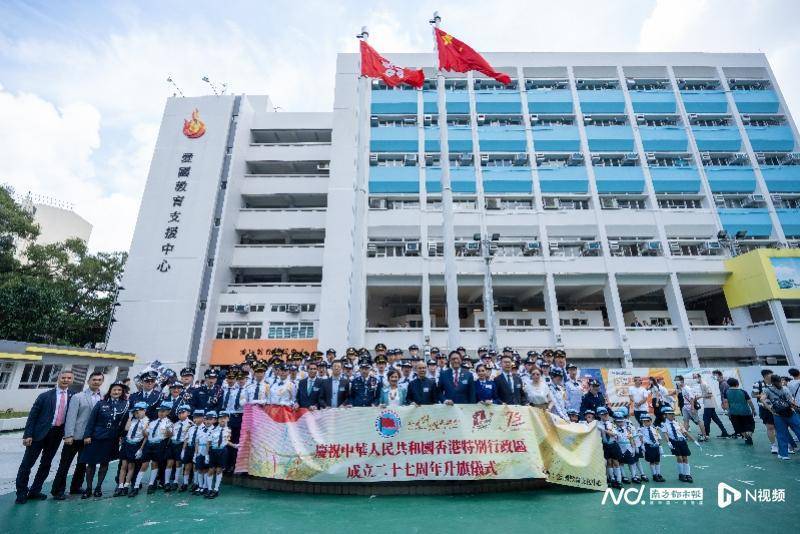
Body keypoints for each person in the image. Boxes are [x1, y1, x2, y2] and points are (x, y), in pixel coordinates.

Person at [15, 369, 74, 504]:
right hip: (38, 434)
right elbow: (33, 416)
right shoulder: (45, 396)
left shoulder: (73, 396)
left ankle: (35, 490)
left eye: (69, 378)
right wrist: (28, 434)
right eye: (63, 377)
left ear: (72, 380)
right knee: (27, 464)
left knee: (46, 464)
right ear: (58, 378)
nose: (66, 380)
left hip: (56, 434)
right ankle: (21, 492)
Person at [52, 371, 104, 500]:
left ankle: (76, 486)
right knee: (65, 464)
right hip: (75, 436)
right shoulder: (78, 397)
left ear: (102, 382)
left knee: (82, 464)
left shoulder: (103, 398)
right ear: (88, 381)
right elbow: (71, 417)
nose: (96, 382)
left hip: (90, 438)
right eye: (94, 379)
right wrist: (68, 435)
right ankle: (57, 490)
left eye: (99, 380)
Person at [79, 380, 129, 498]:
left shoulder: (125, 404)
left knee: (104, 463)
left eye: (119, 390)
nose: (116, 392)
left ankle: (98, 488)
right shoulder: (101, 403)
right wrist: (87, 435)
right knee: (91, 464)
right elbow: (91, 421)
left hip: (111, 438)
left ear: (122, 392)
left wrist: (121, 436)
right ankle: (88, 488)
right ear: (110, 391)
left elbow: (124, 422)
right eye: (114, 389)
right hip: (96, 437)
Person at [761, 373, 800, 460]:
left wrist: (771, 409)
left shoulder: (767, 390)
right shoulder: (784, 388)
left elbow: (762, 399)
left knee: (781, 434)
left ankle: (783, 454)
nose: (780, 383)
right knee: (795, 429)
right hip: (789, 413)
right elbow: (791, 400)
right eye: (779, 381)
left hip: (778, 414)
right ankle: (783, 454)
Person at [116, 401, 149, 496]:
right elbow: (126, 429)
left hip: (136, 445)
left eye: (138, 411)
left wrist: (141, 449)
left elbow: (145, 437)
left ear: (144, 411)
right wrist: (130, 417)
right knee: (123, 466)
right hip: (127, 443)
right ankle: (120, 486)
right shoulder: (133, 420)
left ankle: (126, 485)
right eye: (135, 412)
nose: (136, 413)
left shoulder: (146, 421)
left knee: (131, 466)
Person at [140, 401, 173, 494]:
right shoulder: (153, 422)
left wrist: (168, 431)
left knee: (162, 463)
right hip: (152, 444)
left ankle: (163, 482)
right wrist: (144, 430)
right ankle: (152, 483)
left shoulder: (169, 423)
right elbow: (147, 434)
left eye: (163, 411)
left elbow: (170, 434)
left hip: (163, 444)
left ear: (168, 412)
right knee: (153, 463)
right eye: (159, 411)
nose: (161, 413)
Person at [660, 406, 694, 482]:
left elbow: (685, 432)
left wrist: (694, 441)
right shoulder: (664, 424)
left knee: (685, 458)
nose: (672, 415)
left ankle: (687, 474)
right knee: (679, 458)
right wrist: (668, 442)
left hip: (682, 441)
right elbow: (665, 434)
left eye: (673, 414)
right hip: (674, 442)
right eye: (670, 414)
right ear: (665, 415)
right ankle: (681, 474)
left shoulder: (677, 423)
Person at [694, 372, 731, 438]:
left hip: (709, 405)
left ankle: (706, 434)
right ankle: (724, 432)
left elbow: (710, 394)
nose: (694, 379)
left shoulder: (704, 384)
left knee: (706, 419)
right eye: (694, 378)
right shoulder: (702, 384)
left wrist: (700, 396)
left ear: (699, 377)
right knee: (716, 420)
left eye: (695, 378)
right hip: (709, 404)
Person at [164, 405, 193, 491]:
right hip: (172, 444)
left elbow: (187, 438)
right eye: (179, 413)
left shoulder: (190, 424)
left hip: (181, 445)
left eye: (183, 412)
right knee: (169, 463)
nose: (180, 414)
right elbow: (171, 435)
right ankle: (166, 482)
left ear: (188, 413)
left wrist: (184, 449)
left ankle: (176, 482)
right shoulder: (175, 424)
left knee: (178, 464)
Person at [205, 411, 232, 499]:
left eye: (224, 418)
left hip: (222, 451)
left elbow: (226, 441)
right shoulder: (213, 430)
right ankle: (209, 489)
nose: (222, 420)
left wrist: (235, 445)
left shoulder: (229, 430)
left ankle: (216, 490)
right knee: (211, 470)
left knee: (219, 470)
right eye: (220, 418)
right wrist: (206, 455)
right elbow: (208, 443)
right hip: (213, 450)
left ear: (228, 419)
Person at [752, 369, 779, 453]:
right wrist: (765, 394)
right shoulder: (758, 384)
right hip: (765, 409)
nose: (772, 375)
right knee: (770, 427)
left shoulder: (776, 382)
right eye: (771, 374)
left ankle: (784, 444)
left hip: (778, 408)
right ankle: (774, 445)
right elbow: (753, 395)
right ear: (766, 375)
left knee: (780, 427)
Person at [723, 377, 757, 445]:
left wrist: (728, 411)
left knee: (739, 427)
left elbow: (725, 402)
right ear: (737, 384)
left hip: (734, 412)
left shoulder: (726, 392)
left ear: (729, 384)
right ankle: (749, 435)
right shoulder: (743, 391)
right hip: (745, 412)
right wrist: (753, 410)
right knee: (750, 425)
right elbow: (749, 402)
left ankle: (745, 437)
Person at [182, 409, 206, 493]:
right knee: (187, 466)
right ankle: (185, 483)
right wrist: (183, 450)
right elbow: (186, 439)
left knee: (195, 467)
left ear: (203, 418)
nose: (196, 419)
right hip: (189, 447)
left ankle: (195, 483)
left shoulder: (204, 429)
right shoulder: (191, 428)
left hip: (198, 449)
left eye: (198, 417)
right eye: (195, 417)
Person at [675, 375, 706, 440]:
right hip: (685, 406)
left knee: (698, 421)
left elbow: (692, 398)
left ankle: (704, 436)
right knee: (685, 421)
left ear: (681, 381)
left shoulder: (687, 388)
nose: (676, 382)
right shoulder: (682, 389)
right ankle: (684, 436)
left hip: (690, 406)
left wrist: (692, 408)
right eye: (675, 380)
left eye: (677, 380)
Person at [639, 413, 665, 482]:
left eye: (647, 421)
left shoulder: (654, 429)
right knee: (652, 461)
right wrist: (642, 446)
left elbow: (658, 438)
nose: (646, 422)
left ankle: (659, 474)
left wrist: (660, 446)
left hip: (656, 446)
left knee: (657, 461)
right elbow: (641, 438)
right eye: (644, 421)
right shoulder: (641, 430)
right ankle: (654, 475)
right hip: (648, 447)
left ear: (650, 421)